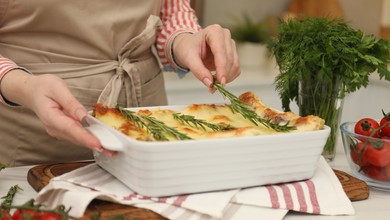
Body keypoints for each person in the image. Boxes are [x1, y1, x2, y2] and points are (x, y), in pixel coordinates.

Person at [0, 0, 240, 166]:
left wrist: (186, 41)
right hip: (32, 136)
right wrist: (23, 86)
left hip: (146, 126)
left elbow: (170, 11)